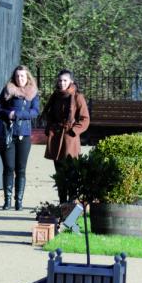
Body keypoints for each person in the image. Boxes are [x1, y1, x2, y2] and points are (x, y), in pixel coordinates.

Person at [0, 65, 41, 211]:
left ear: (27, 77)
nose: (20, 79)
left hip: (24, 134)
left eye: (22, 76)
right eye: (17, 76)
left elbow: (35, 112)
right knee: (8, 167)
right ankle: (7, 200)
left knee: (21, 169)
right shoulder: (8, 90)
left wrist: (19, 114)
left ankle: (18, 201)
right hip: (8, 134)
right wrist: (9, 114)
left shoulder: (33, 92)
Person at [43, 69, 89, 202]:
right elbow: (49, 115)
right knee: (60, 175)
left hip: (70, 140)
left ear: (71, 81)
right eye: (60, 80)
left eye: (65, 80)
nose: (62, 83)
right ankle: (62, 206)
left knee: (71, 175)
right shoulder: (55, 96)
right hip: (57, 138)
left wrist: (74, 131)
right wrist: (49, 127)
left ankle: (72, 209)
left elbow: (85, 118)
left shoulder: (77, 97)